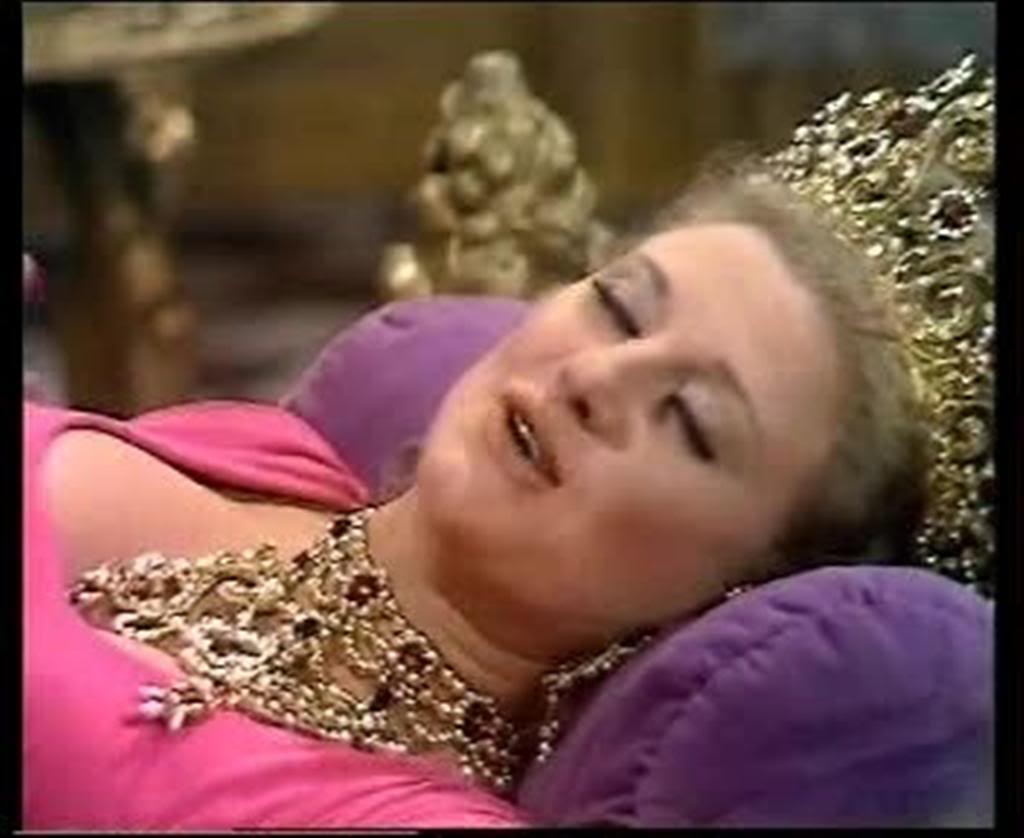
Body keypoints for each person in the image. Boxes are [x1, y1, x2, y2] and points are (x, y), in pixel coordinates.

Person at [24, 56, 991, 829]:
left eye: (689, 420)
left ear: (745, 581)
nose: (594, 380)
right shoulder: (277, 458)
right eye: (620, 308)